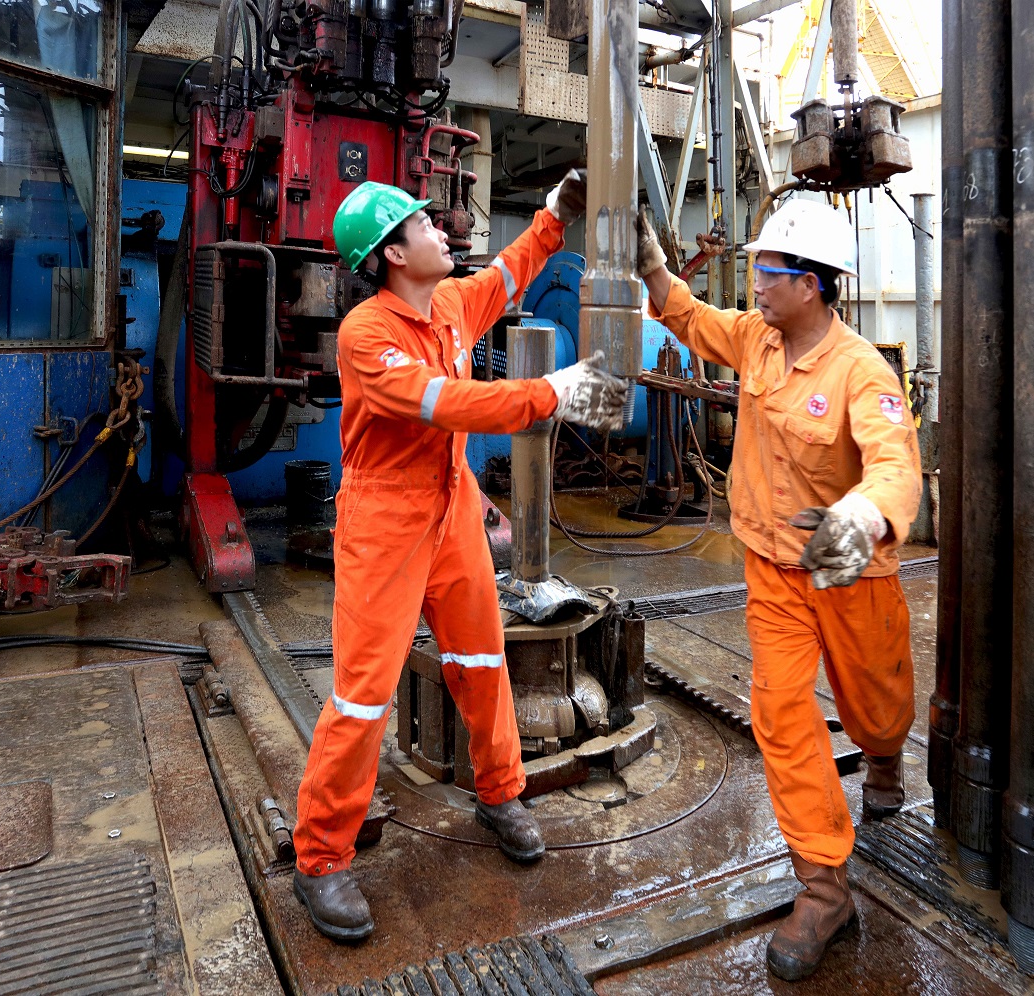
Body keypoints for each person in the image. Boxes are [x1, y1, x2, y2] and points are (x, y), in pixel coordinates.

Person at [292, 172, 630, 943]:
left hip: (452, 506)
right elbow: (446, 404)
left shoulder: (448, 304)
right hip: (384, 520)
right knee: (362, 697)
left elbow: (507, 274)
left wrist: (555, 215)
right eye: (421, 224)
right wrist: (554, 392)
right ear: (391, 255)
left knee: (481, 659)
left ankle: (500, 792)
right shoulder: (367, 336)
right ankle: (321, 857)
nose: (440, 229)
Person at [637, 198, 922, 981]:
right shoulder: (755, 339)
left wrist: (861, 514)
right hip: (774, 571)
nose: (756, 283)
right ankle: (824, 887)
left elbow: (896, 466)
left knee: (877, 706)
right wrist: (652, 264)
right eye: (757, 269)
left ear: (814, 284)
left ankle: (886, 759)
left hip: (848, 568)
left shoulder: (862, 371)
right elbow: (690, 318)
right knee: (783, 714)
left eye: (770, 272)